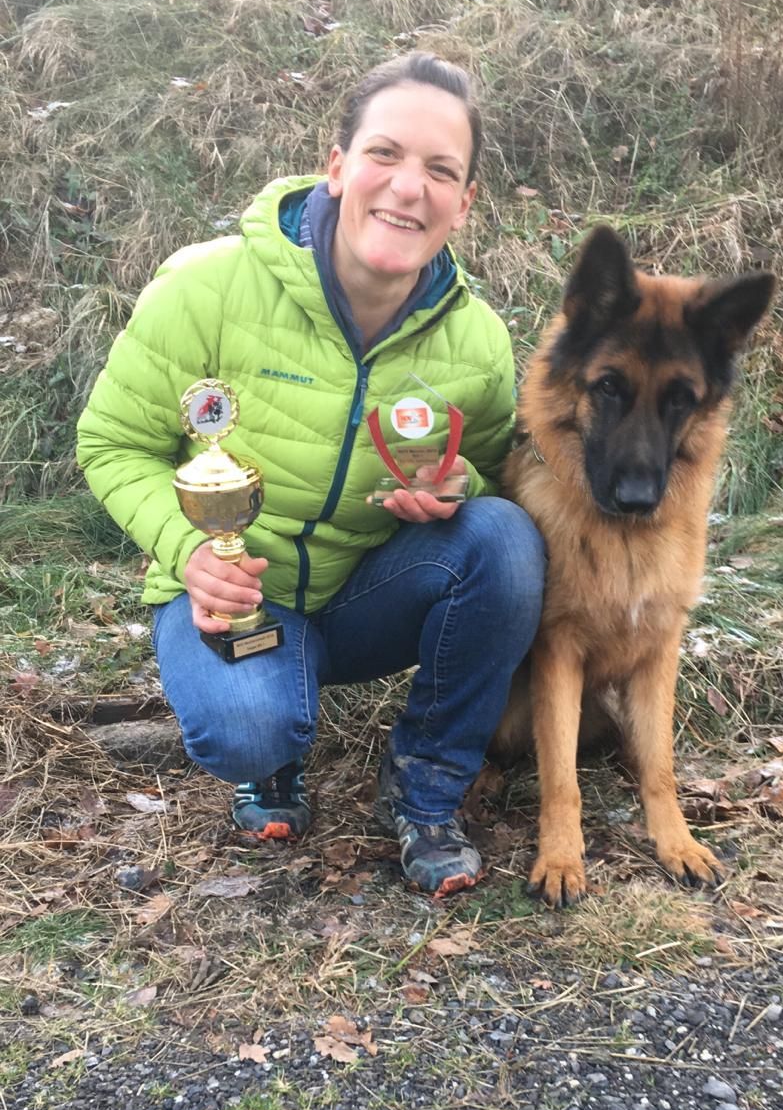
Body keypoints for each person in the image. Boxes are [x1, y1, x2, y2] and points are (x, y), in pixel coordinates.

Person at [76, 52, 546, 897]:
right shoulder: (207, 287)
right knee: (248, 728)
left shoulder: (476, 342)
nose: (410, 188)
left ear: (465, 203)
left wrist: (453, 493)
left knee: (505, 542)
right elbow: (111, 443)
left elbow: (489, 482)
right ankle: (275, 751)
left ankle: (426, 787)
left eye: (442, 171)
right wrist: (190, 552)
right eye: (385, 154)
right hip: (235, 594)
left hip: (369, 597)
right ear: (335, 167)